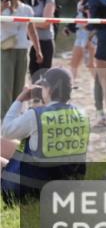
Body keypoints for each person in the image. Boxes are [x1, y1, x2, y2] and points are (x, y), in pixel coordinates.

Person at [1, 68, 88, 203]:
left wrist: (20, 99)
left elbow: (6, 131)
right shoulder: (82, 115)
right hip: (67, 185)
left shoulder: (36, 115)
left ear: (49, 90)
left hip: (31, 189)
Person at [1, 0, 42, 115]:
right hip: (5, 50)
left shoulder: (27, 9)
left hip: (23, 50)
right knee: (5, 86)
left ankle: (15, 115)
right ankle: (4, 117)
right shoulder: (2, 9)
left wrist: (38, 50)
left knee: (20, 86)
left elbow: (32, 30)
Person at [26, 0, 56, 79]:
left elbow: (46, 23)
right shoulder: (27, 1)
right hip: (31, 42)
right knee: (33, 74)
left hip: (45, 41)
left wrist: (29, 23)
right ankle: (36, 95)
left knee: (45, 74)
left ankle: (45, 95)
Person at [67, 0, 95, 88]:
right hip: (80, 35)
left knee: (90, 64)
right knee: (74, 62)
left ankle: (100, 84)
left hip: (88, 35)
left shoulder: (89, 5)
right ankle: (70, 84)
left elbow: (91, 22)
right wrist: (70, 28)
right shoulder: (80, 4)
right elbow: (77, 18)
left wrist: (82, 24)